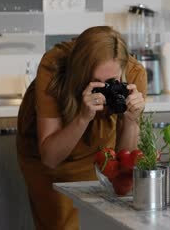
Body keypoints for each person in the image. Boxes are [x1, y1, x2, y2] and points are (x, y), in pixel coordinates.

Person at [16, 26, 147, 230]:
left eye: (111, 82)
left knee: (105, 220)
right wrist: (83, 118)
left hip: (98, 147)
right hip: (50, 149)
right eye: (96, 82)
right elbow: (50, 158)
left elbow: (124, 161)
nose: (103, 90)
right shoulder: (53, 66)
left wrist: (131, 120)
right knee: (61, 224)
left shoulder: (134, 74)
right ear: (80, 72)